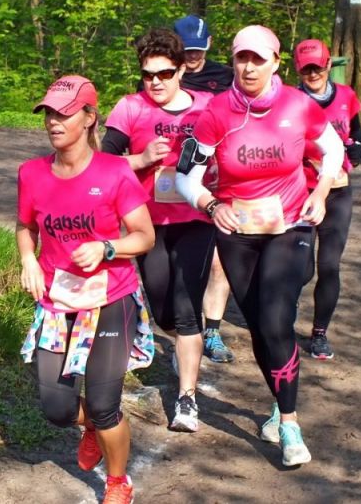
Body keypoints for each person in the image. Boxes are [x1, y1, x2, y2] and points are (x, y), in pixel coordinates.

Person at [176, 25, 344, 466]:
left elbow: (333, 150)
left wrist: (320, 191)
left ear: (275, 62)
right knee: (258, 326)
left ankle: (289, 424)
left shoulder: (298, 104)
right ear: (233, 61)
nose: (248, 67)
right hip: (237, 231)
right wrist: (211, 204)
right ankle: (279, 402)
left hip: (290, 226)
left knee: (275, 318)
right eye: (241, 58)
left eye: (258, 59)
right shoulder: (216, 112)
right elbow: (186, 176)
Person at [17, 75, 155, 504]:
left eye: (64, 113)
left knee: (103, 402)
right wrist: (28, 260)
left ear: (90, 117)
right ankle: (91, 425)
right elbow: (25, 226)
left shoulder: (115, 172)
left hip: (110, 297)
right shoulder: (31, 173)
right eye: (48, 114)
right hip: (59, 302)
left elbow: (145, 236)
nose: (53, 122)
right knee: (57, 409)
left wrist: (106, 247)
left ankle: (117, 482)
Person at [102, 28, 216, 433]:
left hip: (196, 219)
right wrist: (141, 158)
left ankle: (187, 400)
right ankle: (182, 346)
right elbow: (101, 163)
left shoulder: (207, 107)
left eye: (165, 73)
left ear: (181, 70)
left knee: (186, 310)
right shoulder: (130, 108)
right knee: (163, 308)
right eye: (148, 74)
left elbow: (231, 153)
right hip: (147, 224)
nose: (156, 82)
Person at [173, 14, 238, 365]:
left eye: (198, 49)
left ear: (210, 44)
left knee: (217, 262)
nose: (193, 56)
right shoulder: (165, 75)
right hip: (174, 180)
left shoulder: (226, 77)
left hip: (218, 177)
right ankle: (182, 328)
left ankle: (211, 330)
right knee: (180, 264)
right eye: (187, 50)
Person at [294, 39, 361, 360]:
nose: (313, 74)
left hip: (337, 191)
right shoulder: (292, 101)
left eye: (318, 67)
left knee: (329, 266)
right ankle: (288, 306)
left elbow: (356, 131)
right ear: (298, 70)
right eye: (306, 69)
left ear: (328, 65)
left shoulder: (346, 96)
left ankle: (320, 333)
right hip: (302, 191)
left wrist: (358, 148)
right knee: (301, 268)